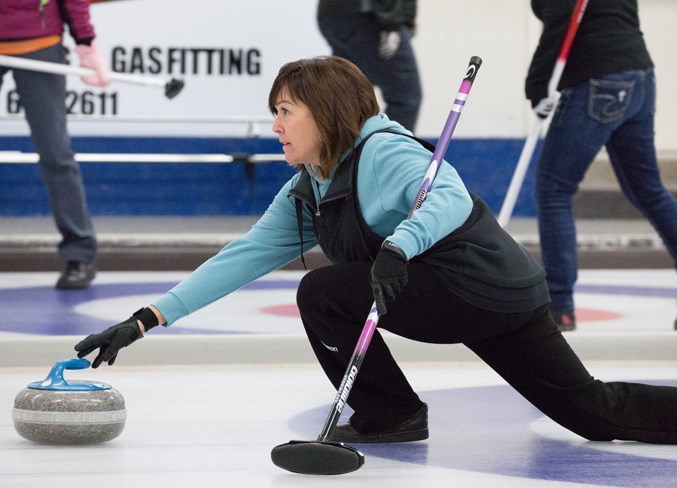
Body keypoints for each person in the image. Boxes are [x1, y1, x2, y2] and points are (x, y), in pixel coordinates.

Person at [75, 56, 677, 446]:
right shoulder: (308, 187)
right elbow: (245, 255)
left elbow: (446, 193)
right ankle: (392, 414)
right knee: (594, 416)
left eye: (286, 111)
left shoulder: (384, 152)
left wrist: (400, 244)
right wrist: (145, 319)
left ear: (327, 111)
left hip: (487, 288)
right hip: (451, 297)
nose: (277, 125)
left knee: (321, 290)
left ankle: (389, 414)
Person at [526, 0, 677, 331]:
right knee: (649, 190)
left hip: (597, 81)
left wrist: (536, 86)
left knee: (554, 190)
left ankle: (560, 306)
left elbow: (560, 20)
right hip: (639, 75)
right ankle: (560, 302)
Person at [0, 0, 110, 289]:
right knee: (56, 155)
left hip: (40, 44)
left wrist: (86, 43)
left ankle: (80, 255)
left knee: (55, 153)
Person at [317, 0, 422, 132]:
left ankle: (343, 151)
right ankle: (391, 151)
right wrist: (391, 22)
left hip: (334, 13)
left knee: (350, 98)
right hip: (371, 14)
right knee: (404, 99)